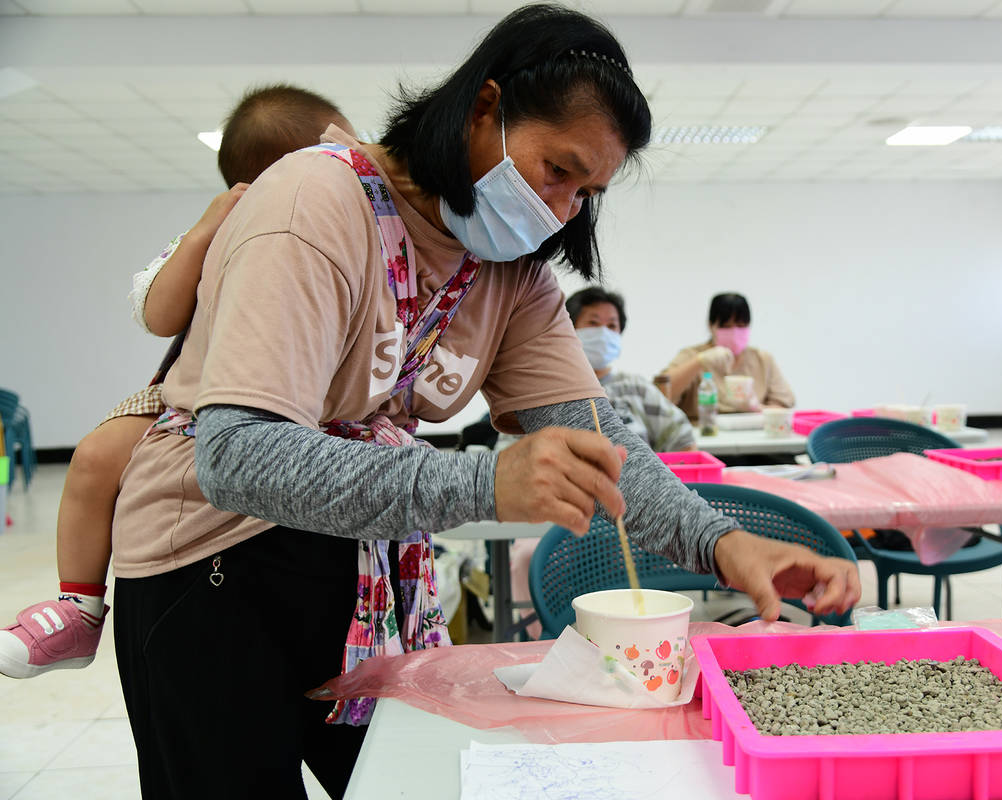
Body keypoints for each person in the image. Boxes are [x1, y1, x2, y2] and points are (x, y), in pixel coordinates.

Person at [107, 6, 860, 798]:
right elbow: (237, 456)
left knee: (404, 780)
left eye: (586, 192)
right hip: (210, 564)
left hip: (357, 565)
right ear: (484, 109)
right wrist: (482, 482)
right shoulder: (314, 203)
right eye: (557, 170)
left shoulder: (512, 274)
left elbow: (599, 438)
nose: (563, 209)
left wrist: (726, 547)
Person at [0, 85, 354, 680]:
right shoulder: (224, 226)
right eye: (337, 154)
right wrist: (201, 236)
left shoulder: (353, 228)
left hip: (304, 398)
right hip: (191, 397)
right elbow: (159, 316)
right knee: (94, 456)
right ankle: (79, 607)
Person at [565, 286, 695, 452]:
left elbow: (682, 438)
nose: (604, 332)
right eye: (593, 323)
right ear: (569, 328)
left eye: (612, 325)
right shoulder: (552, 393)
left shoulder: (636, 388)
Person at [662, 292, 795, 419]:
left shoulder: (762, 360)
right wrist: (699, 362)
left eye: (741, 325)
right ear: (710, 325)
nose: (734, 332)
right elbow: (660, 394)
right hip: (706, 433)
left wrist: (757, 408)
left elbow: (784, 406)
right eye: (726, 326)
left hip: (753, 435)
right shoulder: (692, 355)